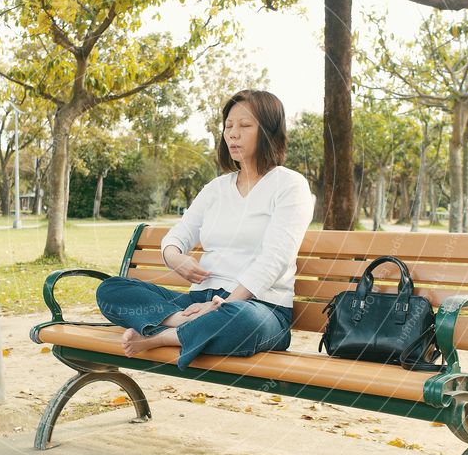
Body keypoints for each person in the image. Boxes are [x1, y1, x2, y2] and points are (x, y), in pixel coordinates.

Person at [95, 90, 314, 371]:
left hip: (258, 307)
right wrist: (176, 258)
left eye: (245, 126)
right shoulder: (216, 189)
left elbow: (274, 260)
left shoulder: (289, 185)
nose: (233, 134)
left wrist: (221, 305)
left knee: (240, 320)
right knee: (111, 289)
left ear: (269, 132)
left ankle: (162, 336)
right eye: (228, 126)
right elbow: (177, 236)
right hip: (196, 304)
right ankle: (181, 324)